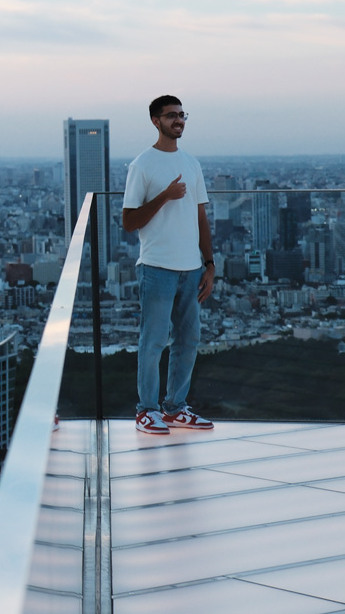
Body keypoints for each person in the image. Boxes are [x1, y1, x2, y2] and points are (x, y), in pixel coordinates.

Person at [121, 95, 215, 435]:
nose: (178, 120)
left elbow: (200, 216)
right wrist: (164, 195)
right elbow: (129, 222)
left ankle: (175, 407)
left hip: (191, 269)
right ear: (155, 121)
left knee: (188, 340)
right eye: (171, 115)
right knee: (154, 342)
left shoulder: (192, 163)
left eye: (181, 114)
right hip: (157, 267)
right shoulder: (142, 165)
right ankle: (146, 410)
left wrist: (209, 263)